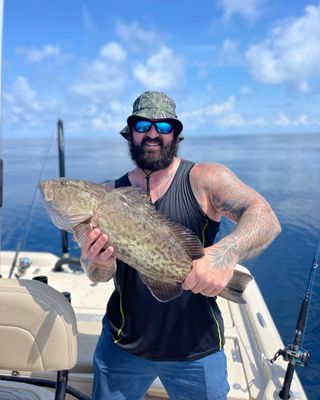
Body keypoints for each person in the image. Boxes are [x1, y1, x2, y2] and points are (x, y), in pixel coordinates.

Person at [80, 91, 281, 400]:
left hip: (196, 351)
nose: (152, 134)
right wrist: (100, 263)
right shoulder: (111, 194)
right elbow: (97, 276)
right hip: (123, 346)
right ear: (130, 133)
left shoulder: (205, 178)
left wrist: (225, 255)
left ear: (175, 134)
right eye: (142, 125)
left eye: (163, 127)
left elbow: (265, 218)